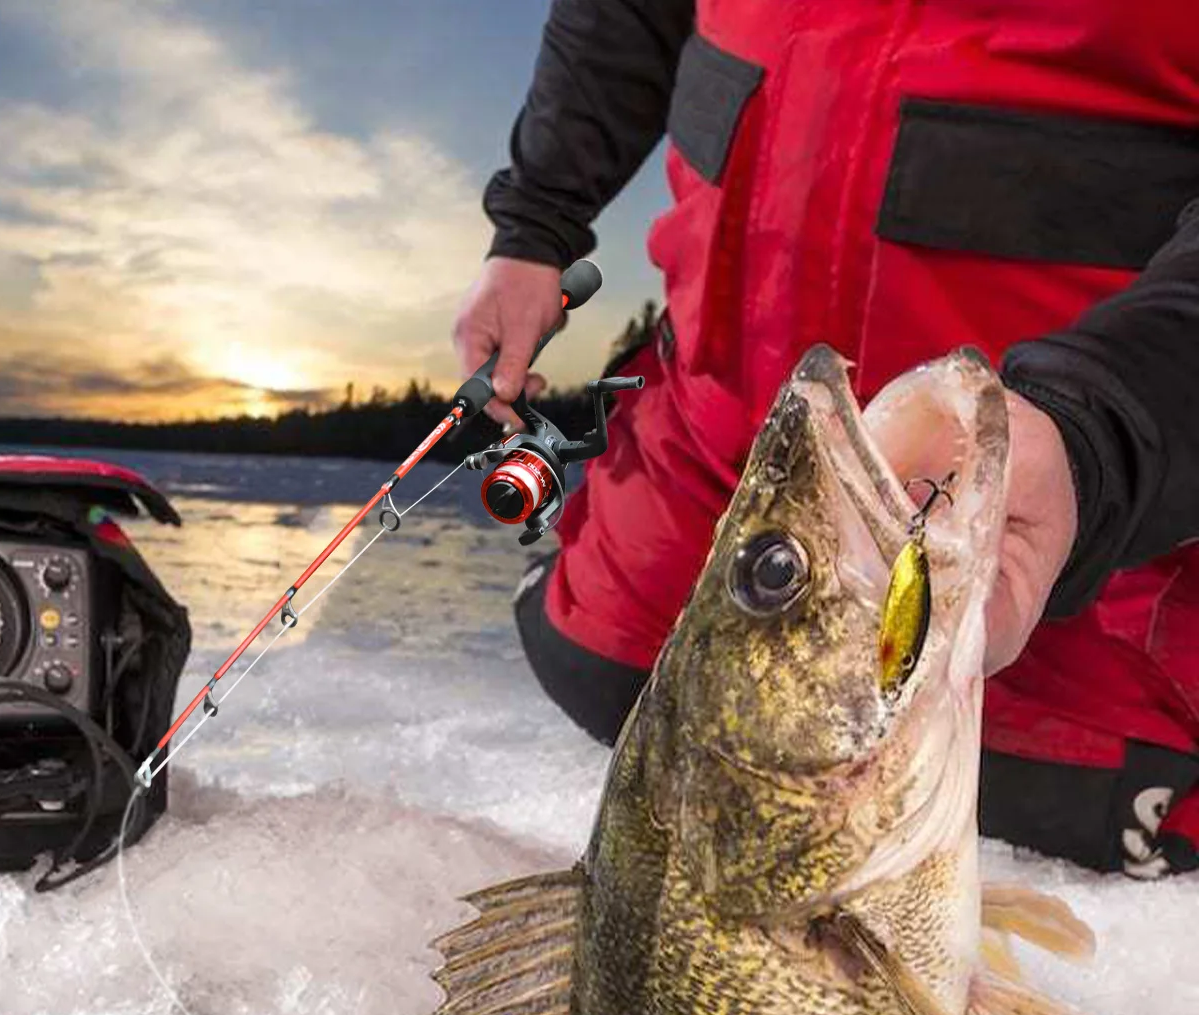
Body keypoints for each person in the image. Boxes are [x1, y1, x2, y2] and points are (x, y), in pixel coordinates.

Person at [454, 0, 1199, 878]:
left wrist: (1096, 439)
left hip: (1071, 578)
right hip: (696, 503)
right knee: (588, 670)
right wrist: (535, 228)